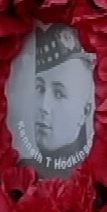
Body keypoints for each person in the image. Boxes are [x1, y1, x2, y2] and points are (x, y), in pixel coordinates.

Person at [28, 24, 96, 175]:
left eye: (59, 93)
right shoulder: (21, 170)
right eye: (39, 88)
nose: (43, 106)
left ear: (84, 112)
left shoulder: (97, 174)